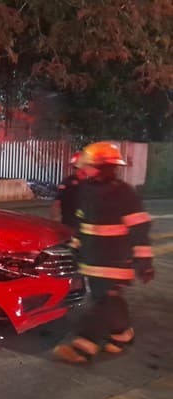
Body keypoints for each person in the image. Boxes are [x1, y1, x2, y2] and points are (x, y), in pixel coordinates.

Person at [53, 142, 154, 364]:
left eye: (89, 166)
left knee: (104, 301)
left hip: (116, 261)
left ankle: (83, 346)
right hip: (92, 261)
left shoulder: (125, 193)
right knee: (107, 300)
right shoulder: (88, 190)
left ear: (103, 167)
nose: (85, 170)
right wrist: (76, 247)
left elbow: (139, 228)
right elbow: (83, 222)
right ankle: (122, 335)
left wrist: (144, 261)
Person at [51, 152, 86, 229]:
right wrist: (55, 219)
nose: (75, 170)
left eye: (76, 167)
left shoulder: (92, 183)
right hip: (69, 222)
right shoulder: (67, 182)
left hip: (85, 224)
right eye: (74, 168)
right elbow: (57, 202)